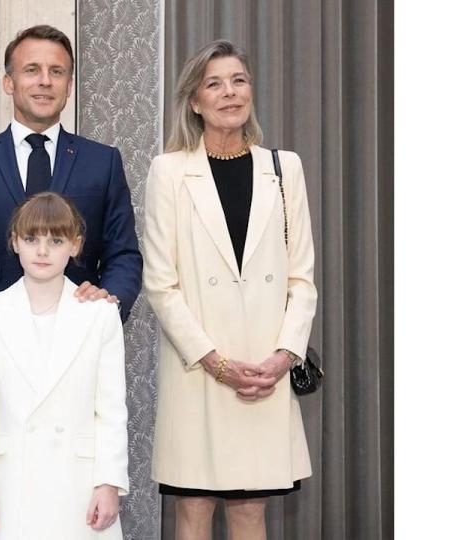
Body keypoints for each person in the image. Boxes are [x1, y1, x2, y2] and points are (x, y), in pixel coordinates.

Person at [142, 40, 317, 539]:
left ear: (251, 91)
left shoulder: (286, 169)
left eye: (238, 80)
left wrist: (283, 357)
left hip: (266, 370)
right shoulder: (169, 171)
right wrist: (216, 362)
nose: (229, 92)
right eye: (214, 83)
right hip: (200, 372)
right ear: (195, 101)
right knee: (193, 509)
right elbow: (161, 284)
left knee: (250, 510)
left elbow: (302, 279)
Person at [0, 25, 142, 319]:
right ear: (9, 82)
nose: (45, 81)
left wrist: (107, 304)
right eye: (32, 70)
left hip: (78, 328)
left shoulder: (103, 161)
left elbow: (123, 254)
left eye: (57, 72)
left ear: (69, 85)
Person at [0, 192, 129, 539]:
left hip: (79, 483)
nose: (42, 251)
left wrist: (109, 482)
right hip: (11, 479)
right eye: (31, 239)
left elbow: (112, 409)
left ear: (75, 245)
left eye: (55, 240)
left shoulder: (100, 314)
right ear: (14, 242)